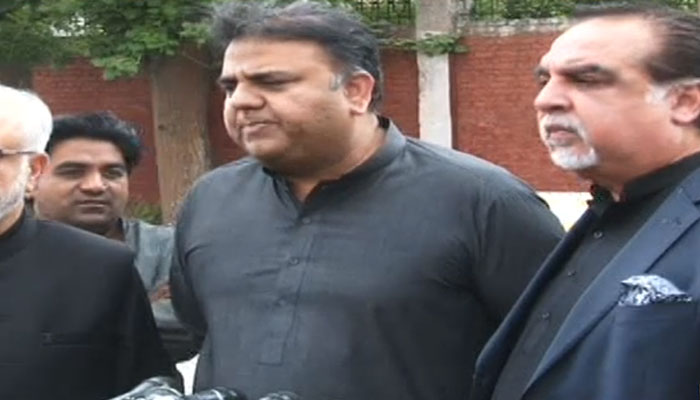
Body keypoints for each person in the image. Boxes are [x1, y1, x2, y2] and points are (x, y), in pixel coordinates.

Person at [170, 2, 564, 399]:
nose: (241, 101)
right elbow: (199, 327)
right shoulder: (210, 200)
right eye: (230, 86)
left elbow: (556, 360)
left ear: (356, 91)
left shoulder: (485, 204)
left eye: (271, 82)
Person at [471, 5, 700, 400]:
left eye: (586, 79)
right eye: (544, 79)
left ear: (685, 102)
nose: (545, 100)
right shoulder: (605, 209)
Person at [0, 85, 176, 399]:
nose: (95, 186)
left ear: (33, 171)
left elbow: (146, 383)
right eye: (73, 171)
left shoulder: (104, 268)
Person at [30, 111, 196, 362]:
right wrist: (140, 309)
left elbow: (187, 330)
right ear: (32, 178)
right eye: (73, 172)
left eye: (112, 173)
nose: (96, 185)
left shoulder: (171, 249)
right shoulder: (10, 251)